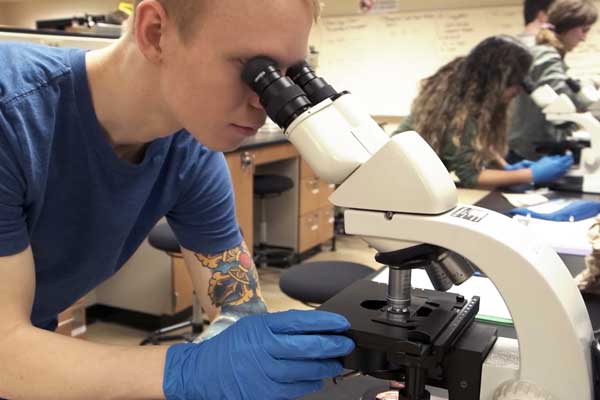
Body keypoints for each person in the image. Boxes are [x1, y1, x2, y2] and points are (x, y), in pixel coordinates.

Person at [0, 1, 355, 399]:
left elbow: (236, 306)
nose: (264, 101)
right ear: (155, 33)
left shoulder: (190, 151)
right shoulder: (12, 114)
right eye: (253, 68)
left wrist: (266, 350)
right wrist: (189, 370)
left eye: (284, 76)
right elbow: (6, 351)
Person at [393, 35, 573, 189]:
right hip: (398, 179)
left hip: (410, 177)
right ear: (496, 81)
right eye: (515, 82)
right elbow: (471, 176)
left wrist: (506, 167)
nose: (519, 91)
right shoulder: (460, 109)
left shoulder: (462, 88)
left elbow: (475, 142)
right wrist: (529, 174)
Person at [509, 0, 598, 161]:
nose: (584, 38)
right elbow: (563, 100)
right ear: (568, 25)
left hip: (530, 146)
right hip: (528, 152)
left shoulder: (545, 51)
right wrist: (590, 87)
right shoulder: (546, 53)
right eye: (583, 30)